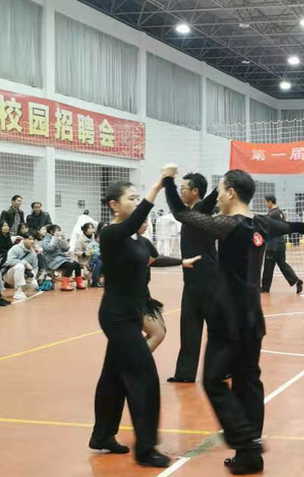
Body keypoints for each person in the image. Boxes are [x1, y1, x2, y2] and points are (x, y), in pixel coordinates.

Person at [163, 168, 304, 475]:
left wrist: (167, 180)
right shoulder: (260, 223)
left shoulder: (228, 224)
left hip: (230, 318)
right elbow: (283, 226)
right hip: (253, 318)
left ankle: (246, 441)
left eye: (220, 190)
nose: (218, 196)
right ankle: (250, 456)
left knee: (213, 380)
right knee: (248, 381)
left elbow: (182, 214)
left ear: (231, 192)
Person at [89, 171, 174, 468]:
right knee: (145, 377)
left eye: (138, 198)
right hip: (117, 316)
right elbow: (134, 220)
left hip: (133, 312)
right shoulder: (111, 234)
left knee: (113, 377)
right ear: (114, 205)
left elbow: (151, 259)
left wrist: (184, 261)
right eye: (132, 198)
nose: (137, 203)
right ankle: (146, 450)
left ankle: (102, 436)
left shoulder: (138, 239)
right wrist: (156, 187)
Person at [168, 172, 219, 384]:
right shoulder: (189, 214)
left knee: (216, 328)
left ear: (195, 191)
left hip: (209, 280)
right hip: (191, 281)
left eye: (184, 188)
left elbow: (211, 200)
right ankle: (185, 373)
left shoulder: (201, 210)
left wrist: (222, 185)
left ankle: (223, 370)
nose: (181, 192)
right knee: (189, 327)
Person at [260, 195, 303, 294]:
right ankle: (296, 280)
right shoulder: (280, 212)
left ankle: (265, 288)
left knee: (268, 266)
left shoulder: (272, 214)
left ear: (270, 202)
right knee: (282, 264)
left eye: (265, 202)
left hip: (273, 245)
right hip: (281, 244)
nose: (264, 204)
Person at [137, 219, 167, 353]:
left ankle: (133, 359)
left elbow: (156, 259)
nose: (147, 225)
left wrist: (181, 261)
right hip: (131, 299)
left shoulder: (144, 242)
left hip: (144, 295)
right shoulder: (124, 243)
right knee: (157, 333)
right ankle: (133, 363)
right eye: (143, 222)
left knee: (161, 331)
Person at [43, 225, 86, 291]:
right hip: (52, 260)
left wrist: (63, 239)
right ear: (51, 231)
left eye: (59, 230)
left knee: (77, 264)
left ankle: (79, 283)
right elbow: (50, 249)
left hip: (61, 259)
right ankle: (64, 284)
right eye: (57, 230)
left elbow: (66, 249)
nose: (59, 232)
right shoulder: (46, 240)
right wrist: (55, 237)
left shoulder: (58, 238)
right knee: (70, 265)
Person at [1, 232, 39, 301]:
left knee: (34, 284)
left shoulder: (33, 253)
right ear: (24, 239)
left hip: (23, 275)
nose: (32, 241)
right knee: (20, 266)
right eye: (30, 239)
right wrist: (25, 263)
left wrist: (32, 274)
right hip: (8, 275)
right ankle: (19, 292)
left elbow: (35, 267)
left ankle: (20, 290)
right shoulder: (15, 248)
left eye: (33, 239)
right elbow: (9, 261)